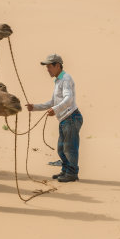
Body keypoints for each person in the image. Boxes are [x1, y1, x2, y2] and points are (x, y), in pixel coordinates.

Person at [26, 53, 83, 182]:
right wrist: (34, 107)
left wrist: (55, 109)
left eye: (49, 67)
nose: (47, 70)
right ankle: (66, 171)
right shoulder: (58, 80)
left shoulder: (66, 79)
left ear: (57, 66)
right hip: (65, 120)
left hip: (71, 118)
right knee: (61, 148)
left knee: (69, 148)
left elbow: (68, 99)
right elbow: (52, 102)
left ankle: (72, 173)